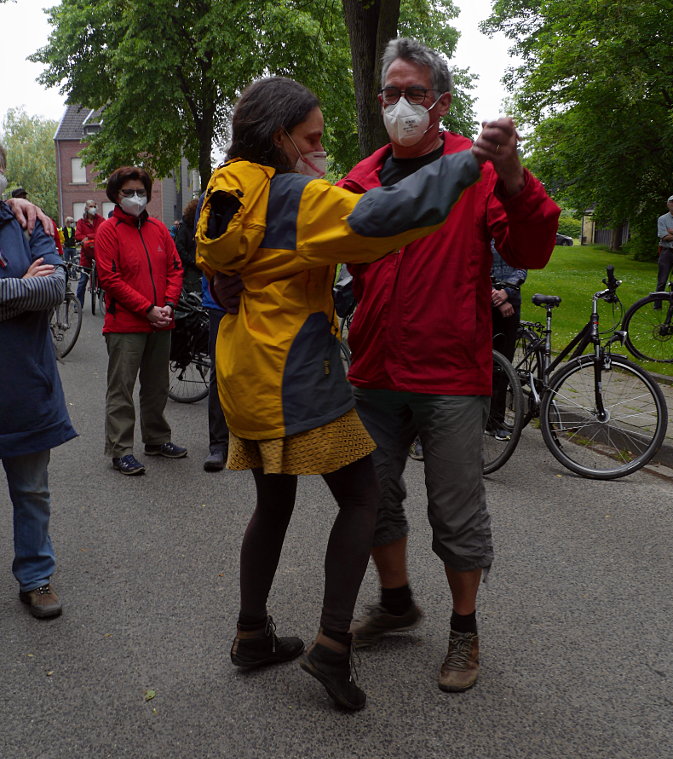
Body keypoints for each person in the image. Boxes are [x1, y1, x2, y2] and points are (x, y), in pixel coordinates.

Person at [195, 75, 507, 711]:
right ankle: (332, 647)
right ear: (281, 137)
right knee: (363, 495)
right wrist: (466, 164)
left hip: (245, 373)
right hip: (298, 373)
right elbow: (384, 217)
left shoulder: (229, 189)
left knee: (273, 504)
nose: (319, 149)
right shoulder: (300, 196)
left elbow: (217, 268)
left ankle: (251, 634)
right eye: (310, 138)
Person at [341, 38, 559, 693]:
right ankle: (399, 599)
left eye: (414, 92)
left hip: (449, 373)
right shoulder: (361, 178)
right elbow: (349, 260)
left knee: (456, 512)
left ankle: (465, 628)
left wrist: (516, 176)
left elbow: (531, 244)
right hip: (375, 371)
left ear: (441, 101)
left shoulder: (477, 167)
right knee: (369, 499)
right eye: (391, 92)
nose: (401, 104)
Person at [0, 143, 77, 619]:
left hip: (25, 386)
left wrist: (26, 288)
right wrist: (22, 289)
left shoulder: (27, 222)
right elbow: (35, 289)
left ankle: (36, 577)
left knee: (31, 491)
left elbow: (54, 285)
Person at [95, 167, 187, 476]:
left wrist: (168, 305)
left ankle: (157, 439)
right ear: (116, 196)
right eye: (129, 192)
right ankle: (121, 450)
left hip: (161, 321)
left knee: (157, 386)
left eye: (141, 191)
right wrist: (147, 308)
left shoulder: (159, 229)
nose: (136, 197)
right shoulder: (108, 231)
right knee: (121, 389)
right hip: (125, 325)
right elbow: (110, 279)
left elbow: (175, 268)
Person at [488, 242, 527, 440]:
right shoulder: (481, 230)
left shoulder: (515, 234)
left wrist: (507, 292)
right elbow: (474, 266)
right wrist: (497, 297)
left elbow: (522, 267)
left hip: (511, 303)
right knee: (481, 364)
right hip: (484, 303)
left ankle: (495, 421)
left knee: (503, 367)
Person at [201, 276, 228, 472]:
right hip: (221, 303)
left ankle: (255, 441)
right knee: (220, 372)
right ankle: (218, 444)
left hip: (259, 302)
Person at [75, 199, 103, 308]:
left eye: (94, 206)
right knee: (83, 280)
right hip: (86, 255)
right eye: (90, 206)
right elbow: (78, 236)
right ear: (86, 208)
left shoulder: (100, 220)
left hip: (99, 253)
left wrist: (88, 236)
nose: (93, 208)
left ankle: (104, 301)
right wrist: (89, 237)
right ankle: (78, 305)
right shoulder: (81, 222)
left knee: (103, 279)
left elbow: (103, 232)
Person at [174, 200, 202, 293]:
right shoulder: (185, 228)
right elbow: (180, 248)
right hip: (190, 269)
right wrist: (192, 261)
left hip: (195, 266)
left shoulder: (191, 227)